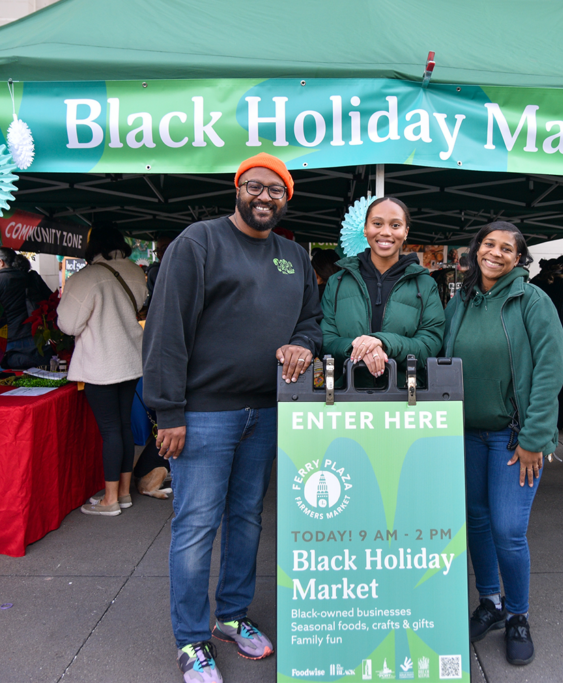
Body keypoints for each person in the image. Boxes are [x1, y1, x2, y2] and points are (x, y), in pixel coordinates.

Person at [143, 152, 322, 683]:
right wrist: (167, 410)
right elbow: (166, 329)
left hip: (266, 412)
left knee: (247, 518)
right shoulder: (199, 243)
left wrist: (301, 344)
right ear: (238, 188)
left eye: (276, 190)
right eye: (255, 186)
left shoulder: (295, 256)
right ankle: (192, 640)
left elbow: (311, 322)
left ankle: (231, 617)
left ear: (287, 199)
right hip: (203, 414)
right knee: (196, 525)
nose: (265, 197)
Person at [442, 221, 562, 667]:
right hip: (466, 433)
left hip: (515, 437)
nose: (495, 253)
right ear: (475, 250)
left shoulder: (532, 300)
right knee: (476, 519)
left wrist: (535, 437)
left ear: (518, 257)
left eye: (506, 248)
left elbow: (550, 370)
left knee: (509, 530)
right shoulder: (462, 300)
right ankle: (489, 603)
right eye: (488, 245)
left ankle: (517, 614)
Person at [57, 223, 147, 517]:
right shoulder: (134, 270)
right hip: (130, 360)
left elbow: (68, 325)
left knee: (110, 430)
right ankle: (122, 493)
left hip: (101, 363)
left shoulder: (87, 277)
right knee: (121, 426)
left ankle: (110, 500)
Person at [320, 197, 444, 380]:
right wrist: (359, 348)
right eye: (377, 223)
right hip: (345, 400)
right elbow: (325, 340)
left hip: (407, 400)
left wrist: (383, 343)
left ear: (406, 232)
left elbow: (430, 344)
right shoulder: (337, 282)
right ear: (365, 229)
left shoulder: (425, 284)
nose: (385, 232)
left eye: (395, 225)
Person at [531, 255, 563, 429]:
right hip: (560, 341)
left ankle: (533, 417)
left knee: (534, 379)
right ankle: (561, 418)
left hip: (532, 340)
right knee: (560, 382)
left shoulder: (535, 283)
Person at [0, 247, 48, 369]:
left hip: (7, 342)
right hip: (33, 338)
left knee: (5, 380)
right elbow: (49, 301)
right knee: (35, 378)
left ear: (1, 262)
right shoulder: (31, 277)